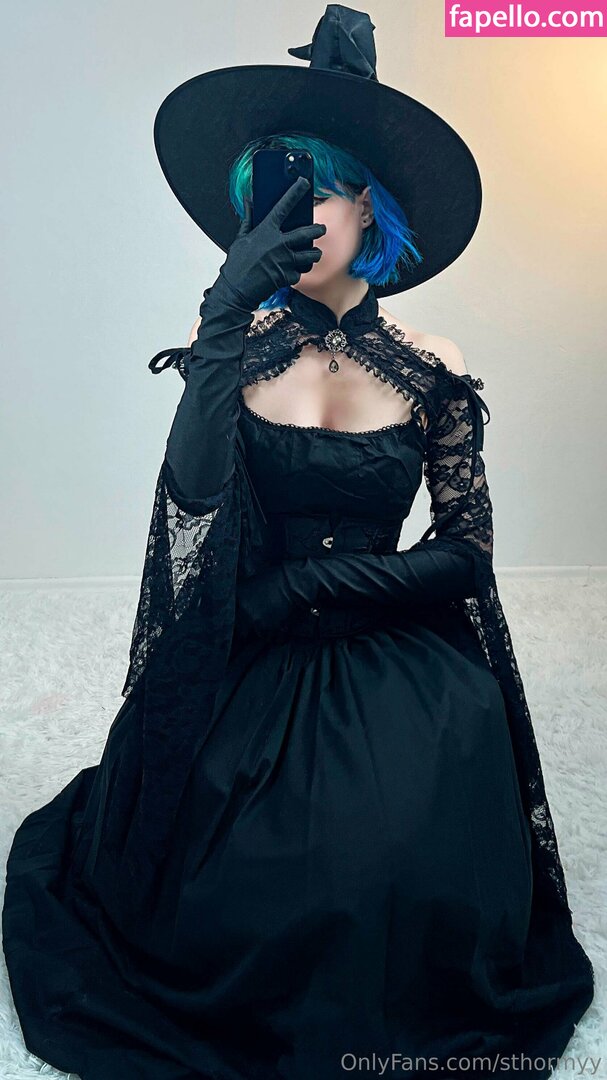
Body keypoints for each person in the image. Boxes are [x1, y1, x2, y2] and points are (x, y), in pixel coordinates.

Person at [2, 6, 594, 1079]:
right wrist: (220, 319)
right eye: (264, 195)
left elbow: (465, 554)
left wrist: (311, 586)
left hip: (388, 648)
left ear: (368, 204)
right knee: (232, 866)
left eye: (310, 190)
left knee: (394, 840)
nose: (285, 217)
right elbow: (191, 506)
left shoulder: (433, 362)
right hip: (246, 646)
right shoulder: (233, 347)